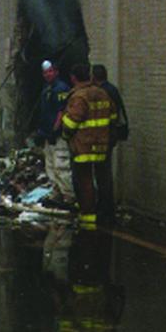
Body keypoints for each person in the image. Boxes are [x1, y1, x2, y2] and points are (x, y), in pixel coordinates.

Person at [61, 64, 117, 231]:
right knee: (103, 178)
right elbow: (113, 116)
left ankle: (88, 218)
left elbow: (72, 122)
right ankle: (106, 213)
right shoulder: (103, 93)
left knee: (84, 180)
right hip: (101, 145)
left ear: (73, 78)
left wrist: (65, 133)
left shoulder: (79, 97)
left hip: (83, 147)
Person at [91, 64, 128, 224]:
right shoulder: (112, 90)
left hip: (103, 137)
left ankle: (105, 208)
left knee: (102, 173)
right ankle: (106, 206)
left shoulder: (102, 93)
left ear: (94, 77)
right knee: (104, 171)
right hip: (110, 136)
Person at [34, 60, 74, 202]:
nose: (47, 74)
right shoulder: (47, 89)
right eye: (45, 72)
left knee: (61, 166)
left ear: (56, 72)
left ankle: (69, 195)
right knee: (50, 165)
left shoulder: (61, 88)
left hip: (58, 137)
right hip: (48, 136)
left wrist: (55, 130)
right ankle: (57, 191)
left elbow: (61, 111)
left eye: (50, 71)